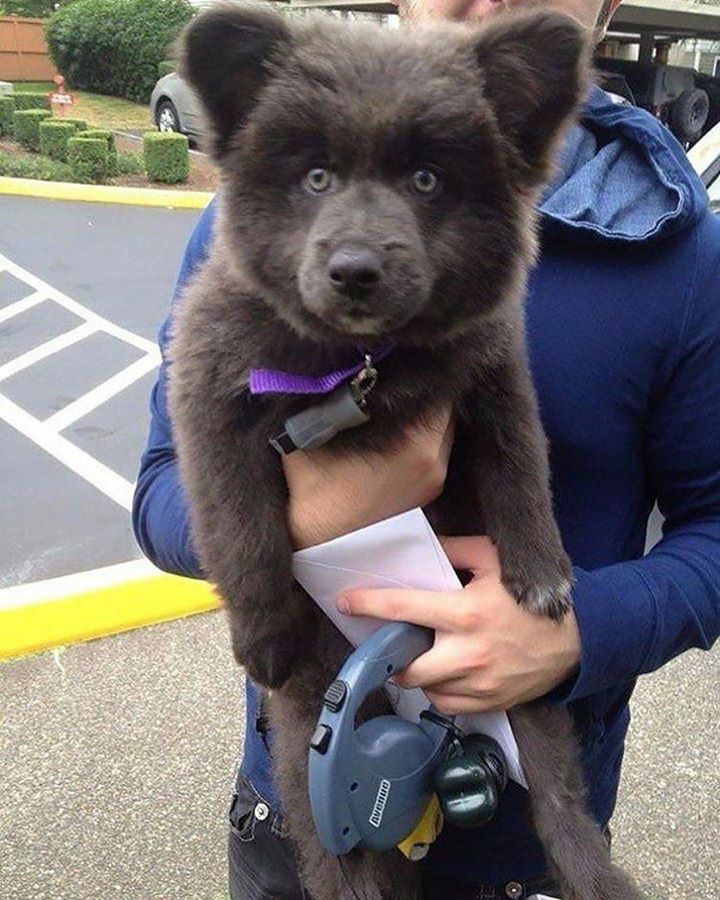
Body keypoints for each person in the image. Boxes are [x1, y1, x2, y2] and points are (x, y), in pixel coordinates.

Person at [132, 0, 720, 896]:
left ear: (604, 7)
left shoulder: (687, 264)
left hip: (520, 847)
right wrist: (301, 530)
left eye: (425, 180)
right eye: (319, 177)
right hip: (306, 794)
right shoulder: (240, 234)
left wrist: (580, 632)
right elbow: (160, 491)